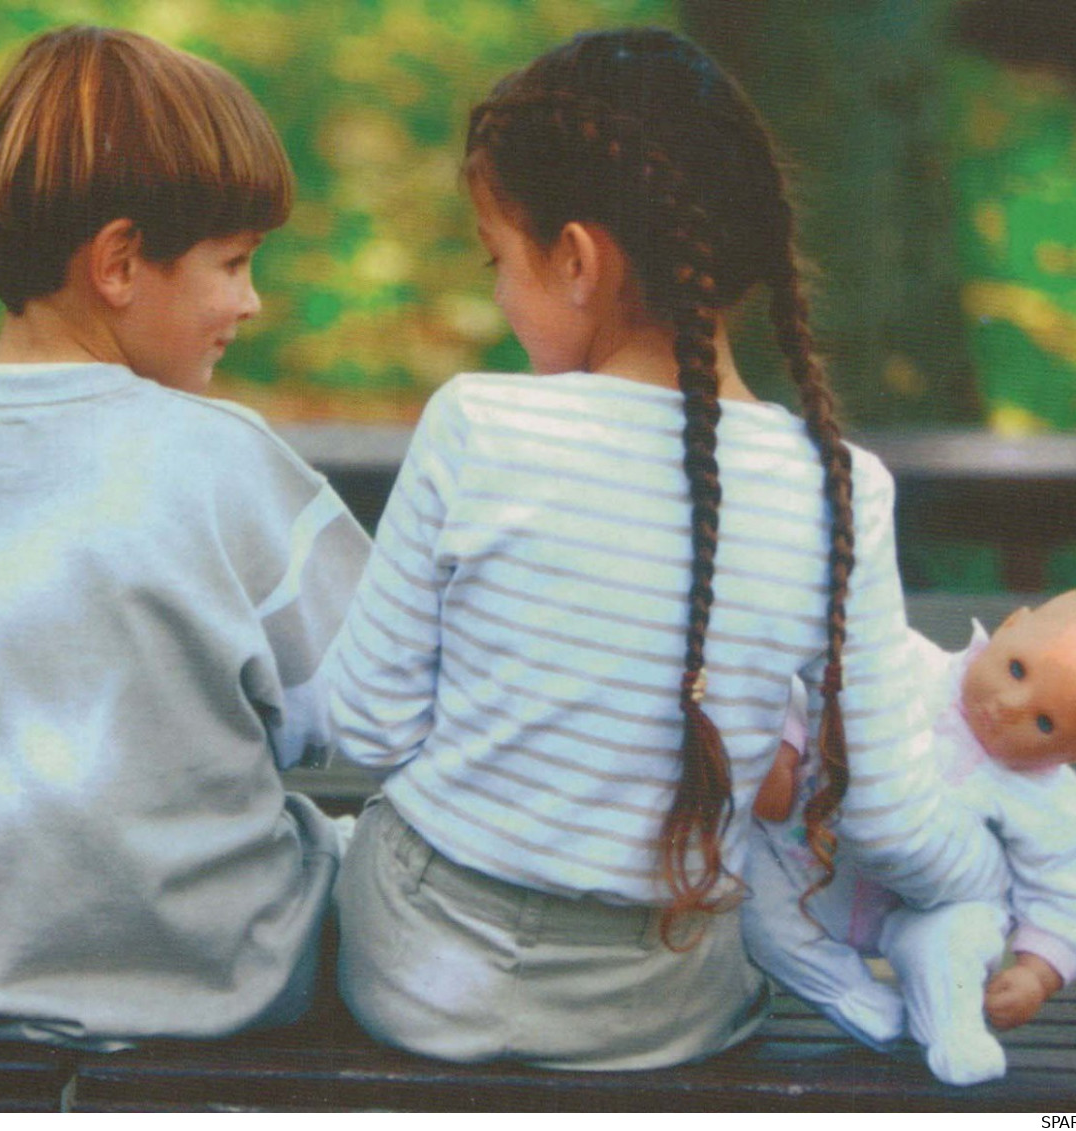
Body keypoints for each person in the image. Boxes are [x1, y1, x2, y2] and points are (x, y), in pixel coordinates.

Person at [324, 25, 1006, 1071]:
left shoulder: (475, 424)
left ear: (576, 259)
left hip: (420, 976)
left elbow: (365, 725)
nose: (499, 293)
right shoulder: (837, 490)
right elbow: (888, 812)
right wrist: (994, 895)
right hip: (657, 1011)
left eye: (496, 258)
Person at [0, 25, 371, 1050]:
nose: (250, 301)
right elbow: (372, 703)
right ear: (121, 263)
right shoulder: (226, 461)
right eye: (232, 262)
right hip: (223, 977)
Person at [746, 586, 1076, 1085]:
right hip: (800, 862)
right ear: (1010, 627)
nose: (1009, 706)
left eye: (1045, 721)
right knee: (753, 901)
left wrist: (1037, 973)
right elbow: (815, 681)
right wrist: (785, 749)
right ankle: (848, 997)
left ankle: (951, 1024)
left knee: (961, 935)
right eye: (1017, 670)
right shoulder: (903, 662)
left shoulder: (1044, 792)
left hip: (923, 908)